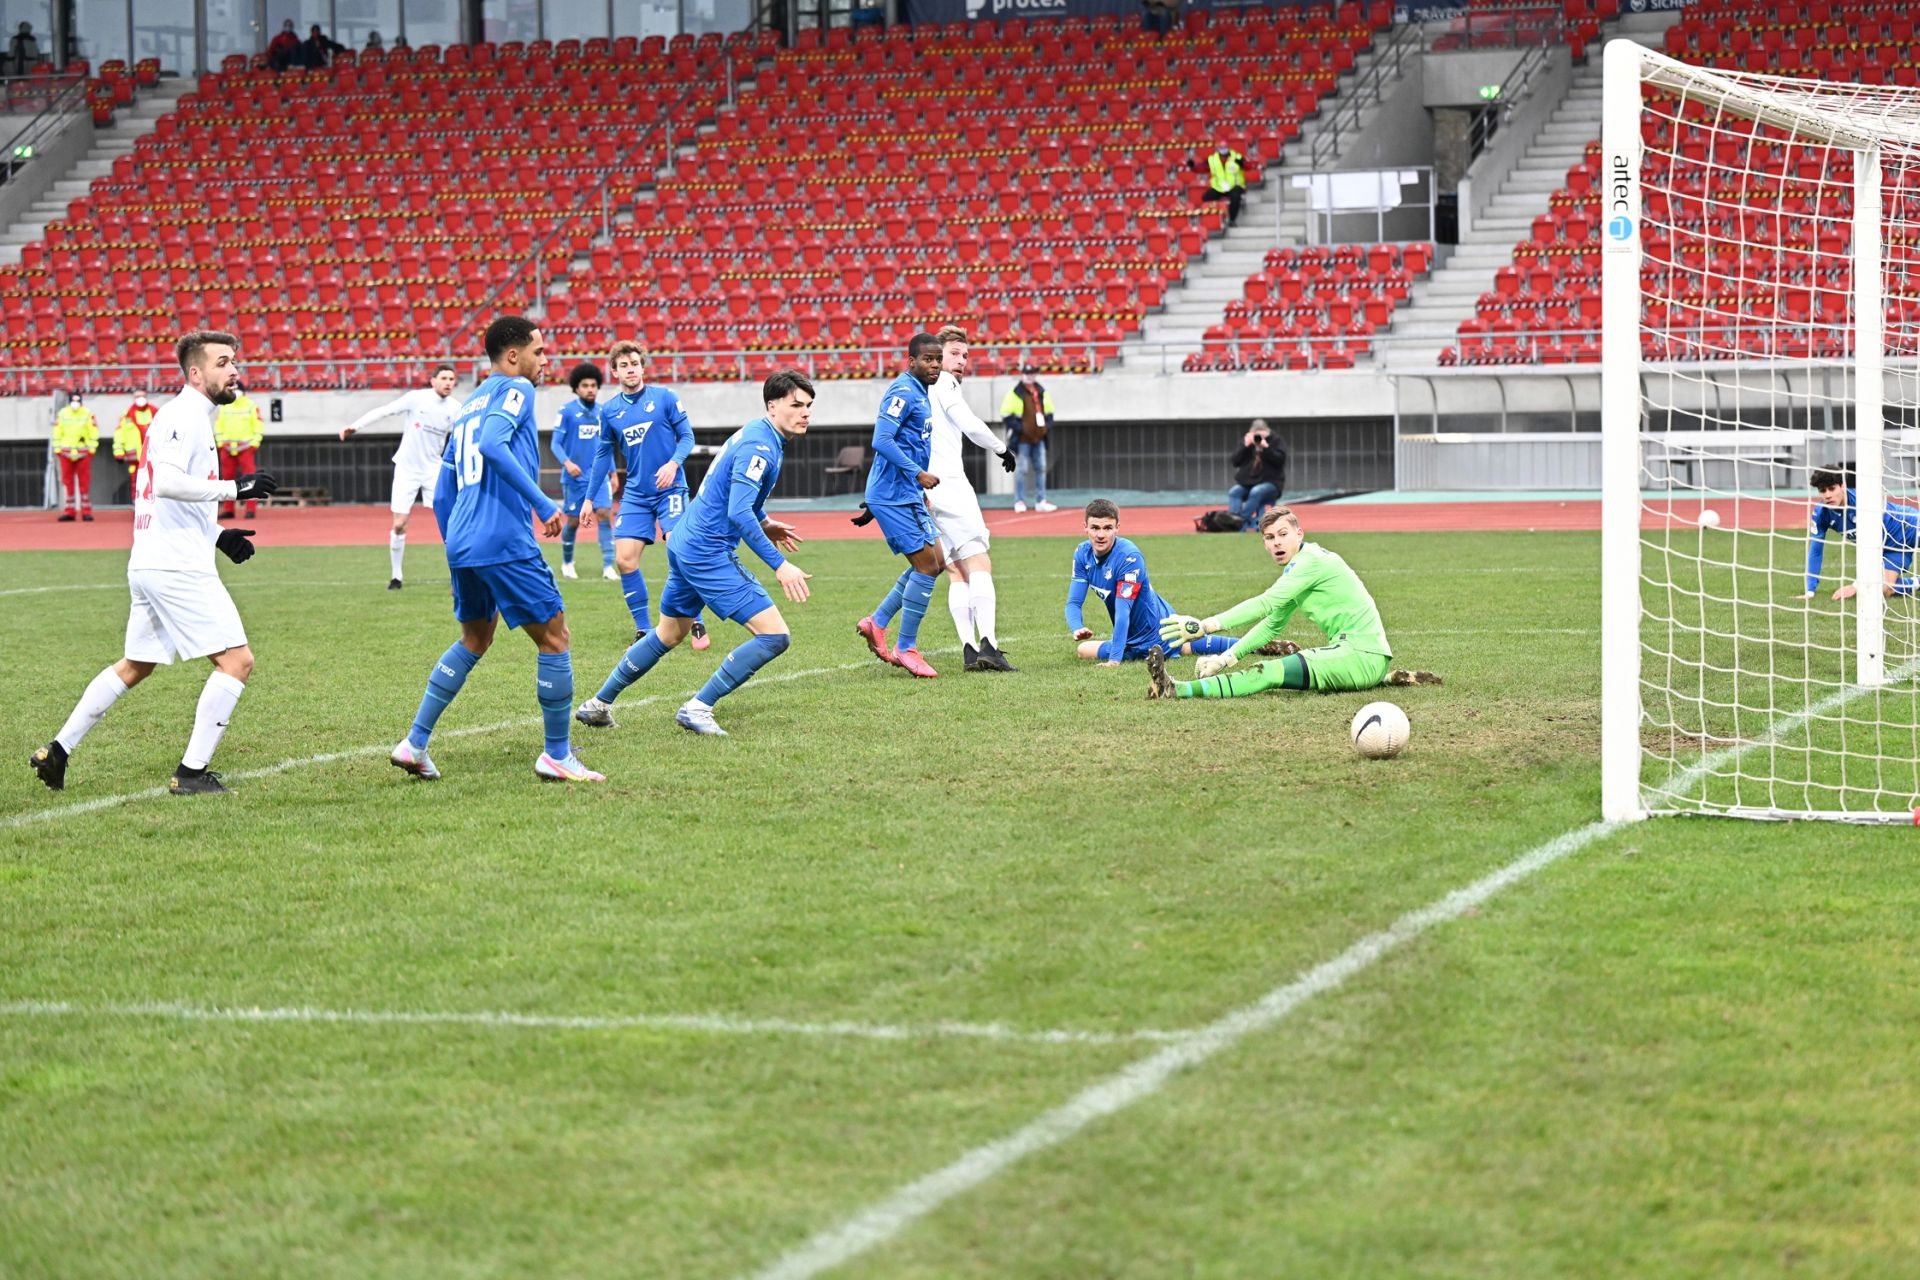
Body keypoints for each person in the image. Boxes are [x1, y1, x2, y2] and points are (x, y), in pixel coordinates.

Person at [28, 331, 278, 795]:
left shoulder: (186, 417)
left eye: (235, 362)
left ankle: (57, 751)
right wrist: (234, 489)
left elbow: (170, 497)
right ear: (196, 373)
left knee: (136, 664)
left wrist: (218, 534)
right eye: (223, 363)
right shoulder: (184, 416)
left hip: (151, 559)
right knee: (237, 662)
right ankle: (190, 775)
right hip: (176, 566)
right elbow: (165, 483)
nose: (234, 370)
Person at [390, 316, 602, 783]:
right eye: (539, 352)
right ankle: (557, 755)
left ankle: (414, 743)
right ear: (513, 356)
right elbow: (492, 444)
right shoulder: (516, 389)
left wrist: (456, 547)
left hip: (464, 542)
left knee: (475, 638)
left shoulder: (468, 405)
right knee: (554, 637)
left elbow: (444, 489)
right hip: (501, 538)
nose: (546, 361)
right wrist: (544, 502)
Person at [575, 370, 814, 737]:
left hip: (687, 542)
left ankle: (597, 705)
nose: (805, 413)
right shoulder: (761, 445)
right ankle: (698, 707)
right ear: (772, 405)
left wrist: (764, 521)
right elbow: (737, 511)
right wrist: (780, 565)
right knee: (775, 636)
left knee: (668, 634)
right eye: (796, 405)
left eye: (809, 406)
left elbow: (734, 496)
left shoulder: (758, 433)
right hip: (707, 552)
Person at [1145, 506, 1439, 701]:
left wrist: (1205, 625)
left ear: (1300, 534)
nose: (1276, 543)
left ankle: (1178, 690)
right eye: (1269, 537)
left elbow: (1266, 602)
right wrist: (1226, 658)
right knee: (1274, 668)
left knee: (1268, 671)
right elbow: (1273, 622)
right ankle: (1384, 679)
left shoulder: (1309, 563)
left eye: (1283, 535)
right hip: (1361, 656)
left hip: (1359, 656)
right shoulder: (1300, 568)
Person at [579, 341, 707, 648]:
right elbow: (601, 457)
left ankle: (697, 619)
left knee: (681, 550)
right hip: (636, 494)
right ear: (615, 371)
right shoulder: (609, 411)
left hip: (670, 489)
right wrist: (588, 499)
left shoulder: (664, 398)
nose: (630, 369)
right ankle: (643, 630)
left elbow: (687, 437)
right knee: (624, 560)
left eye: (634, 363)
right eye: (623, 365)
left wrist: (673, 464)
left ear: (643, 366)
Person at [926, 324, 1019, 672]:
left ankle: (968, 648)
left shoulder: (919, 386)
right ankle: (990, 646)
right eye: (954, 353)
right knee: (980, 562)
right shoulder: (945, 383)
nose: (962, 361)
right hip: (949, 483)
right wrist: (1001, 447)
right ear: (936, 356)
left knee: (956, 571)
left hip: (927, 487)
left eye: (965, 356)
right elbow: (966, 420)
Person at [854, 334, 946, 678]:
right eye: (927, 359)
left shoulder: (920, 392)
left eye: (938, 359)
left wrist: (915, 486)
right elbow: (881, 440)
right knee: (925, 567)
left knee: (936, 562)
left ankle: (877, 623)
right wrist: (917, 474)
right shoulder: (903, 391)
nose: (934, 365)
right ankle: (906, 647)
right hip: (894, 494)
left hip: (904, 493)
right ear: (911, 361)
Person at [1067, 498, 1247, 665]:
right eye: (1095, 528)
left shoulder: (1129, 557)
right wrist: (1077, 627)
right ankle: (1189, 643)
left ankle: (1249, 644)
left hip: (1157, 632)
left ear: (1117, 527)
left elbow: (1123, 611)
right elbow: (1074, 603)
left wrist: (1114, 660)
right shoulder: (1082, 554)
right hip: (1129, 638)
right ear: (1085, 527)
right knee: (1082, 649)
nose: (1100, 534)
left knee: (1173, 644)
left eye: (1107, 528)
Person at [340, 362, 460, 589]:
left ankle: (459, 577)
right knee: (399, 523)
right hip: (406, 468)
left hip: (434, 470)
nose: (447, 383)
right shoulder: (416, 398)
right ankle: (396, 576)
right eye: (443, 378)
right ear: (432, 380)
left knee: (451, 523)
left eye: (451, 379)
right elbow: (385, 410)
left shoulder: (456, 409)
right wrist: (355, 426)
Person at [1800, 464, 1920, 600]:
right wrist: (1810, 591)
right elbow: (1816, 550)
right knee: (1885, 590)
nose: (1827, 495)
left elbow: (1870, 549)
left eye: (1832, 489)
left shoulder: (1863, 502)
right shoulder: (1821, 514)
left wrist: (1855, 586)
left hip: (1910, 526)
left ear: (1843, 486)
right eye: (1823, 491)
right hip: (1891, 548)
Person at [551, 361, 616, 582]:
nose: (590, 389)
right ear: (576, 388)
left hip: (598, 476)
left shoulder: (603, 413)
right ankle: (567, 562)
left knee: (604, 514)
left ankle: (609, 565)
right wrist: (567, 462)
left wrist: (614, 472)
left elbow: (606, 445)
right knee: (573, 521)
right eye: (585, 385)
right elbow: (555, 444)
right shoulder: (566, 412)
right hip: (574, 477)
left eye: (593, 385)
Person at [999, 365, 1057, 513]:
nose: (1029, 376)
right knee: (1021, 470)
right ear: (1022, 374)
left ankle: (1041, 500)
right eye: (1026, 373)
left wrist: (1045, 428)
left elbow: (1050, 412)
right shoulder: (1015, 393)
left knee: (1041, 468)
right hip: (1022, 439)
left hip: (1039, 438)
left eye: (1032, 373)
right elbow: (1006, 414)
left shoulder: (1042, 392)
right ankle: (1019, 501)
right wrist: (1022, 429)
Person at [214, 384, 264, 520]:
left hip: (245, 448)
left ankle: (250, 509)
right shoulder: (224, 405)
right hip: (227, 448)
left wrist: (254, 443)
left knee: (249, 479)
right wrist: (220, 443)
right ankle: (228, 509)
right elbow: (218, 425)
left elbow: (259, 425)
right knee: (227, 481)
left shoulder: (251, 406)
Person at [1227, 419, 1287, 530]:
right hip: (1249, 482)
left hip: (1271, 482)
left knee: (1257, 491)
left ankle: (1239, 522)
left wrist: (1266, 448)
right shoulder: (1249, 442)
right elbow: (1235, 461)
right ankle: (1233, 519)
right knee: (1234, 492)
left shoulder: (1276, 441)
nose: (1258, 438)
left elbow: (1280, 461)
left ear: (1267, 432)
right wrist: (1245, 446)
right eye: (1256, 435)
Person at [52, 392, 101, 522]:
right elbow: (57, 432)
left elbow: (94, 432)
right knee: (67, 482)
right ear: (69, 401)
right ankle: (69, 511)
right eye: (73, 400)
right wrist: (57, 448)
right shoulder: (62, 414)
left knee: (84, 483)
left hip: (83, 452)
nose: (75, 403)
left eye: (78, 400)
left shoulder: (88, 414)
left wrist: (92, 448)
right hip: (66, 453)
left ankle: (86, 512)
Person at [1193, 137, 1250, 228]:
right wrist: (1193, 166)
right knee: (1206, 198)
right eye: (1221, 148)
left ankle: (1232, 220)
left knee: (1235, 197)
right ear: (1218, 149)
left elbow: (1248, 167)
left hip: (1235, 185)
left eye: (1225, 148)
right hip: (1220, 187)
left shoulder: (1237, 157)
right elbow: (1201, 168)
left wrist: (1243, 163)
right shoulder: (1212, 159)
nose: (1223, 150)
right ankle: (1218, 218)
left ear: (1228, 148)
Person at [112, 391, 156, 499]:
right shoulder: (127, 414)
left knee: (155, 482)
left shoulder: (155, 412)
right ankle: (137, 506)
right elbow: (119, 434)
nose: (140, 399)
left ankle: (155, 507)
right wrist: (119, 452)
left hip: (154, 456)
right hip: (135, 458)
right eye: (137, 397)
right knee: (136, 483)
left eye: (142, 396)